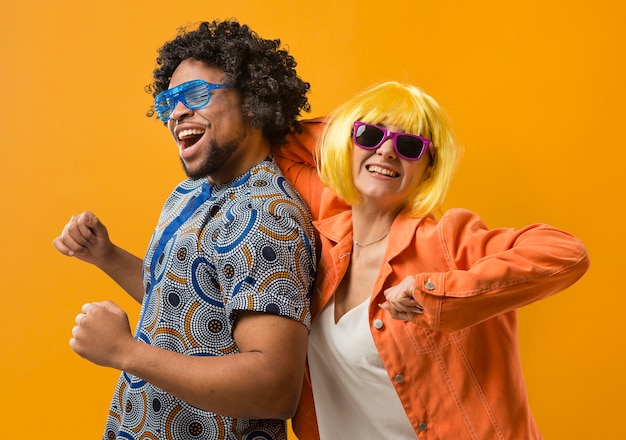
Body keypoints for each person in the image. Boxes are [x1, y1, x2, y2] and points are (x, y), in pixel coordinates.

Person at [274, 81, 590, 439]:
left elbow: (566, 252)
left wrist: (441, 292)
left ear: (428, 170)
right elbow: (276, 141)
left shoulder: (447, 241)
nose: (388, 152)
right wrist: (350, 129)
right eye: (370, 135)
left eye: (409, 146)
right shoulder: (327, 219)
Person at [53, 19, 316, 440]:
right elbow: (190, 306)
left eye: (195, 95)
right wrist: (106, 255)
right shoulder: (193, 191)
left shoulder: (266, 214)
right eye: (169, 100)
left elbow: (275, 388)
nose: (176, 113)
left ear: (252, 101)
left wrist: (125, 352)